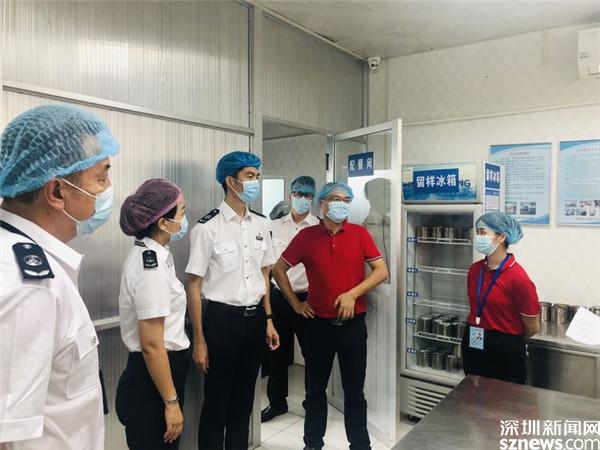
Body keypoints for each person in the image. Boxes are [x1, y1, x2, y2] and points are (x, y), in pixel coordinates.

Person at [0, 104, 119, 449]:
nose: (108, 187)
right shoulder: (28, 285)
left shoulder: (27, 259)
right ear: (56, 192)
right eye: (100, 177)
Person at [272, 181, 389, 450]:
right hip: (318, 326)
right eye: (336, 199)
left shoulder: (359, 234)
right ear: (322, 204)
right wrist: (295, 304)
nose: (342, 204)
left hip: (352, 326)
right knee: (315, 390)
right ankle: (313, 443)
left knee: (354, 392)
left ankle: (360, 445)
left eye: (347, 200)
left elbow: (382, 271)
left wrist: (352, 294)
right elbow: (278, 270)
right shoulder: (306, 237)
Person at [185, 151, 280, 450]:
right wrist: (199, 340)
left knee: (244, 399)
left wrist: (268, 320)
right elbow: (193, 285)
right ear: (230, 181)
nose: (255, 182)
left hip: (255, 321)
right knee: (217, 401)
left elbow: (264, 274)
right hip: (221, 322)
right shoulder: (207, 227)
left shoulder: (262, 224)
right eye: (249, 176)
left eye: (257, 176)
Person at [115, 179, 191, 449]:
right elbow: (151, 345)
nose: (184, 219)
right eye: (182, 212)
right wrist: (171, 403)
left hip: (159, 374)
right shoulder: (152, 266)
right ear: (163, 222)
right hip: (153, 379)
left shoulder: (156, 256)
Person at [261, 176, 319, 423]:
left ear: (313, 198)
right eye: (298, 194)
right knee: (277, 353)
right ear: (290, 196)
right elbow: (267, 267)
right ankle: (277, 402)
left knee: (312, 354)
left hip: (308, 300)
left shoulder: (319, 227)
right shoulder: (273, 226)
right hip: (279, 297)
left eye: (307, 195)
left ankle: (312, 403)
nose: (302, 199)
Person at [461, 212, 540, 385]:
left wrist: (506, 341)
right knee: (472, 393)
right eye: (477, 232)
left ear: (502, 237)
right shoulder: (474, 270)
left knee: (505, 397)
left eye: (483, 232)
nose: (478, 237)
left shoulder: (518, 278)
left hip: (505, 348)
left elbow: (532, 327)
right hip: (474, 341)